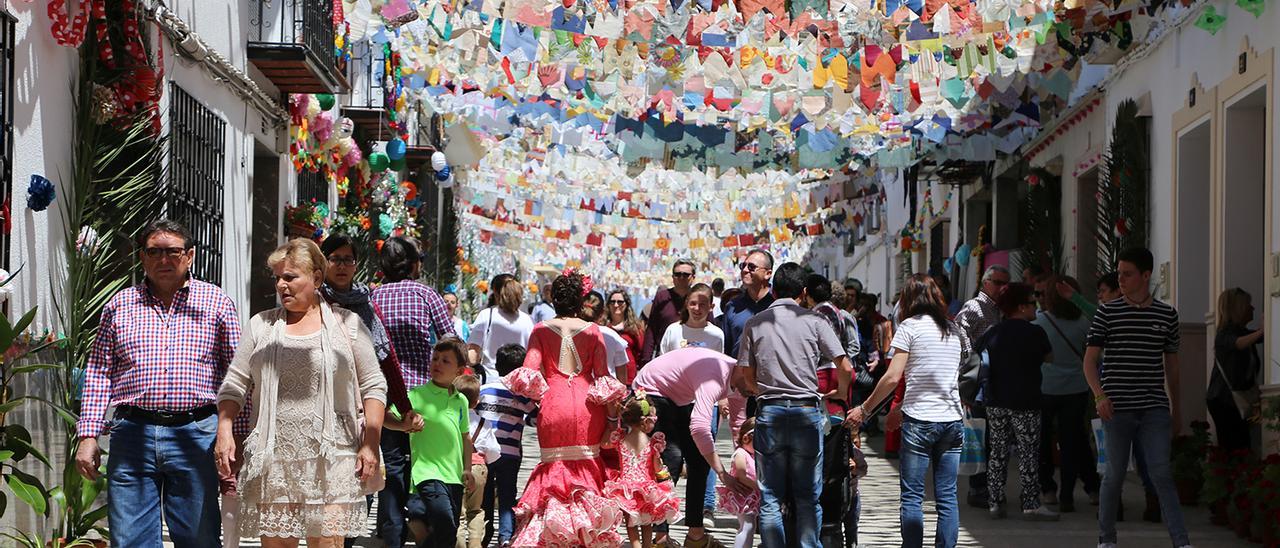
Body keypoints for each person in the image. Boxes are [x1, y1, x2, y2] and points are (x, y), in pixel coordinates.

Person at [76, 219, 243, 548]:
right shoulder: (119, 306)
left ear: (190, 255)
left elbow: (236, 375)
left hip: (197, 435)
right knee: (130, 539)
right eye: (154, 251)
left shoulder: (216, 303)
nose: (163, 260)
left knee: (199, 538)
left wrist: (236, 436)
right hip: (132, 435)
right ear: (142, 257)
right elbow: (98, 371)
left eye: (173, 251)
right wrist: (88, 435)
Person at [214, 238, 389, 545]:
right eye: (278, 278)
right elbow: (235, 384)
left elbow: (374, 384)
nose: (282, 285)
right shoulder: (261, 326)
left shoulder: (348, 325)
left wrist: (371, 443)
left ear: (317, 278)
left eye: (290, 277)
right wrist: (225, 429)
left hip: (332, 460)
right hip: (274, 460)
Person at [502, 271, 627, 546]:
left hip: (553, 406)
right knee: (586, 472)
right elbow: (603, 378)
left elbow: (529, 373)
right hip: (587, 408)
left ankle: (552, 537)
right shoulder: (594, 331)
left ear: (553, 298)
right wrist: (611, 422)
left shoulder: (540, 330)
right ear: (581, 300)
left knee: (554, 470)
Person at [733, 262, 853, 548]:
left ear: (773, 291)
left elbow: (746, 376)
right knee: (808, 495)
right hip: (806, 412)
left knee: (771, 495)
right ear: (803, 292)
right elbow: (845, 367)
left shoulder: (755, 323)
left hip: (770, 412)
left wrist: (760, 389)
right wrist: (840, 391)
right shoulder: (815, 321)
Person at [846, 274, 965, 548]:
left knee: (912, 496)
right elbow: (939, 375)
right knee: (947, 497)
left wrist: (865, 409)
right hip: (951, 420)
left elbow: (892, 377)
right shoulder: (953, 329)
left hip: (921, 422)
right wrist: (899, 405)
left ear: (908, 300)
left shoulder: (910, 327)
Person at [1085, 247, 1192, 548]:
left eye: (1127, 274)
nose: (1121, 279)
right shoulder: (1107, 312)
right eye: (1119, 273)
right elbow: (1089, 360)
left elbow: (1172, 364)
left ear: (1146, 275)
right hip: (1116, 408)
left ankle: (1181, 541)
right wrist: (1099, 396)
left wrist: (1176, 409)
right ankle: (1107, 540)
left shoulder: (1167, 315)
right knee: (1114, 475)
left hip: (1154, 407)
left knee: (1161, 472)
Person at [320, 235, 422, 548]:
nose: (341, 265)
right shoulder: (310, 300)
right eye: (334, 258)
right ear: (322, 262)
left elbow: (385, 357)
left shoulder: (366, 305)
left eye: (348, 259)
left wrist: (404, 406)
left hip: (357, 414)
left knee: (354, 492)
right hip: (317, 410)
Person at [370, 236, 457, 546]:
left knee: (393, 465)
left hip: (386, 393)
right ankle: (423, 524)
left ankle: (391, 533)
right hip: (424, 395)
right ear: (414, 264)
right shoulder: (425, 294)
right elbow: (450, 340)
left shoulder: (374, 296)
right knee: (426, 461)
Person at [634, 347, 749, 547]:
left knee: (700, 461)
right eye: (757, 380)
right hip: (652, 388)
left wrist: (745, 468)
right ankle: (660, 537)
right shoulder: (715, 378)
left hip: (678, 396)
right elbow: (699, 428)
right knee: (671, 459)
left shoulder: (742, 384)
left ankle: (696, 535)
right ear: (743, 369)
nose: (757, 389)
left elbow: (739, 428)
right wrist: (722, 474)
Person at [974, 283, 1059, 521]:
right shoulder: (1035, 332)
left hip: (996, 400)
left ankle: (995, 502)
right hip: (1027, 400)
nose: (1036, 307)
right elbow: (1049, 358)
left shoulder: (992, 332)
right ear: (1021, 307)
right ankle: (1030, 503)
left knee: (998, 451)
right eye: (1033, 302)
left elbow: (979, 357)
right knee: (1028, 452)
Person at [390, 338, 474, 548]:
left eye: (446, 361)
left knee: (448, 532)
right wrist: (403, 426)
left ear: (459, 370)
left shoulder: (461, 400)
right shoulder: (416, 395)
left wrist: (468, 469)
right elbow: (384, 417)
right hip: (427, 473)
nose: (437, 363)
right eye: (435, 358)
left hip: (454, 476)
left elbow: (465, 437)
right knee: (445, 524)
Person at [1032, 274, 1100, 512]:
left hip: (1045, 388)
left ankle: (1048, 489)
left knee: (1042, 440)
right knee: (1071, 441)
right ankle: (1068, 495)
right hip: (1077, 389)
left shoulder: (1039, 322)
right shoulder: (1084, 322)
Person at [954, 264, 1010, 508]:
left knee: (997, 439)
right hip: (980, 384)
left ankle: (992, 487)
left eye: (1005, 283)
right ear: (986, 283)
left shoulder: (1003, 310)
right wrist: (970, 362)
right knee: (980, 436)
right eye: (997, 282)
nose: (1001, 287)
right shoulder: (974, 307)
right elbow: (959, 335)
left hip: (999, 382)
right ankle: (978, 488)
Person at [603, 392, 683, 548]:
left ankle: (636, 545)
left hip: (626, 487)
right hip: (647, 487)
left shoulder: (619, 439)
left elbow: (604, 445)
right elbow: (657, 466)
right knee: (647, 520)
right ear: (645, 422)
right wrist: (664, 478)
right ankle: (646, 545)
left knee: (631, 522)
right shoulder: (653, 443)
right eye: (653, 419)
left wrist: (611, 421)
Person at [477, 344, 537, 547]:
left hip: (484, 452)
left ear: (497, 365)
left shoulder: (483, 390)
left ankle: (484, 534)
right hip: (510, 453)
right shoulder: (520, 396)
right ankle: (505, 536)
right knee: (507, 496)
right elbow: (535, 418)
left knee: (484, 497)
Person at [1208, 288, 1262, 452]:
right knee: (1234, 446)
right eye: (1248, 305)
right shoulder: (1224, 333)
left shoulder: (1241, 332)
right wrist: (1262, 330)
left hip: (1235, 400)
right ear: (1238, 309)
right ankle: (1229, 475)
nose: (1253, 308)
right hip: (1224, 400)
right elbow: (1237, 343)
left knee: (1241, 444)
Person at [467, 274, 534, 381]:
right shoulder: (528, 321)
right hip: (518, 382)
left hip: (490, 380)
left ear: (496, 293)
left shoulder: (487, 315)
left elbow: (472, 356)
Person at [453, 374, 490, 548]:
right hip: (479, 468)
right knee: (475, 509)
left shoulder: (451, 419)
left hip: (456, 468)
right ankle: (475, 543)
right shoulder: (483, 422)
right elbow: (494, 450)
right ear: (476, 402)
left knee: (458, 513)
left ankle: (459, 544)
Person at [722, 249, 776, 363]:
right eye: (743, 266)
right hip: (740, 376)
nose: (745, 270)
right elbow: (727, 348)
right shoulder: (732, 307)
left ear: (768, 274)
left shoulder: (778, 304)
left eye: (751, 267)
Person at [641, 259, 697, 365]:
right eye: (677, 274)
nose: (681, 277)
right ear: (672, 277)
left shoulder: (699, 298)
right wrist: (646, 361)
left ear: (693, 277)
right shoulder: (662, 297)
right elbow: (652, 329)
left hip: (693, 358)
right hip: (665, 357)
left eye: (685, 275)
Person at [717, 418, 760, 548]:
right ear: (746, 438)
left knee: (751, 526)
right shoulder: (740, 453)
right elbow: (742, 476)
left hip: (751, 495)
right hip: (743, 495)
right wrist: (759, 488)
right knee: (746, 526)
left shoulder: (753, 455)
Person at [658, 282, 724, 355]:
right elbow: (663, 362)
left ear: (711, 307)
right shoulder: (672, 331)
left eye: (702, 304)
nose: (697, 308)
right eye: (693, 303)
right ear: (687, 304)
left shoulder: (717, 335)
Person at [583, 291, 635, 383]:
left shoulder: (570, 334)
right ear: (602, 312)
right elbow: (622, 378)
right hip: (606, 391)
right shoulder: (612, 336)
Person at [605, 289, 645, 383]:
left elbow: (641, 352)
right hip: (608, 376)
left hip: (629, 377)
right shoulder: (603, 326)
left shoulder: (635, 328)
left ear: (626, 304)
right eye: (612, 302)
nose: (616, 305)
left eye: (620, 302)